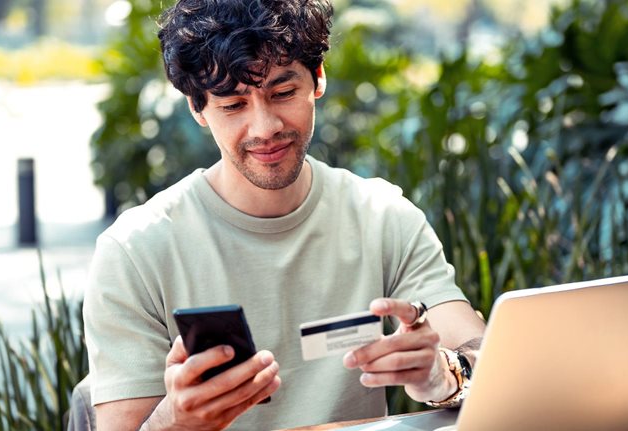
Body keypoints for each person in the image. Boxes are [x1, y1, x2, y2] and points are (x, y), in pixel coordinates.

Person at [82, 0, 486, 429]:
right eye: (233, 105)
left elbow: (481, 353)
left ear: (318, 80)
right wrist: (175, 421)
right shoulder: (135, 251)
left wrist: (444, 375)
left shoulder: (383, 217)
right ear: (197, 109)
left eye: (282, 93)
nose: (265, 127)